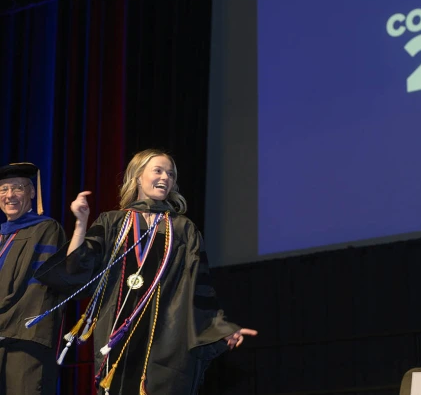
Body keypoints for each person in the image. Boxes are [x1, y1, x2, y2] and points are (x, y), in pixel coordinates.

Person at [35, 149, 257, 394]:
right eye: (158, 171)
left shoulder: (183, 229)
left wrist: (220, 328)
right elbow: (76, 267)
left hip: (165, 336)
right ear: (137, 177)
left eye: (170, 174)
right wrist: (80, 222)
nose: (165, 177)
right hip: (116, 331)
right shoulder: (112, 222)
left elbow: (199, 286)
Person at [0, 162, 66, 395]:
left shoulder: (46, 229)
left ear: (32, 192)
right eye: (3, 190)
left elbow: (39, 287)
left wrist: (6, 320)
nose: (10, 195)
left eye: (17, 188)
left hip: (25, 338)